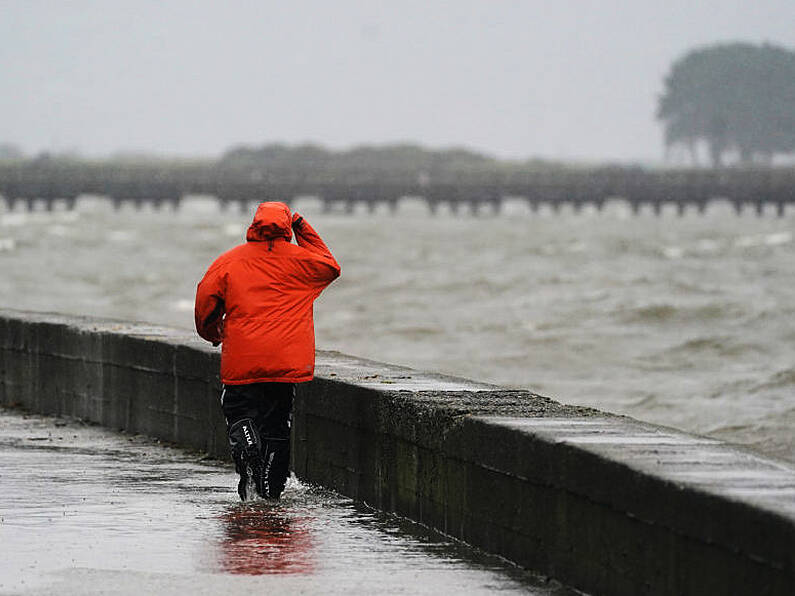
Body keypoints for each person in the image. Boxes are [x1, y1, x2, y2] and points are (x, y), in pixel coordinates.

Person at [194, 201, 340, 500]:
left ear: (254, 224)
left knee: (238, 413)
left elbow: (204, 305)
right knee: (277, 426)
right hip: (284, 362)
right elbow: (330, 265)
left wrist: (212, 333)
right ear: (287, 226)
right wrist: (300, 224)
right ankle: (270, 491)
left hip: (243, 360)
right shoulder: (302, 262)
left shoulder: (229, 261)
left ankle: (247, 443)